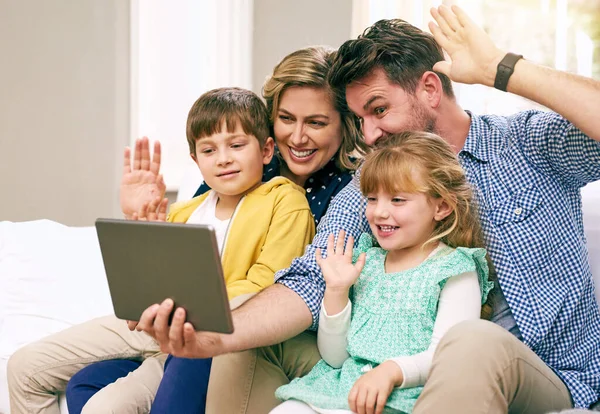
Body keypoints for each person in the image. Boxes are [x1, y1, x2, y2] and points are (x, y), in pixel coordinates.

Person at [133, 5, 600, 414]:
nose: (370, 134)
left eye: (378, 110)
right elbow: (311, 280)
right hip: (402, 373)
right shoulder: (369, 186)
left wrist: (503, 68)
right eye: (358, 118)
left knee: (469, 342)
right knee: (251, 343)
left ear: (430, 90)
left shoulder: (526, 143)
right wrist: (217, 335)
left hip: (542, 371)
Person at [7, 46, 365, 414]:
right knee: (83, 380)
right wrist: (142, 220)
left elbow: (276, 287)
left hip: (243, 333)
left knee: (150, 382)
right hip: (172, 322)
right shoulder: (229, 178)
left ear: (346, 123)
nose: (298, 136)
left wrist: (183, 304)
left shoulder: (341, 193)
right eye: (287, 118)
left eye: (317, 123)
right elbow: (170, 258)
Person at [272, 131, 493, 414]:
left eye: (397, 200)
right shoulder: (369, 262)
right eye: (372, 199)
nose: (379, 212)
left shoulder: (454, 269)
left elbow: (446, 357)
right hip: (346, 390)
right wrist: (337, 292)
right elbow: (336, 358)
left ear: (442, 206)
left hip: (406, 400)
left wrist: (391, 371)